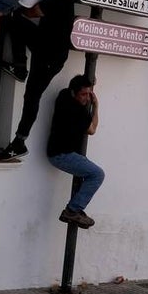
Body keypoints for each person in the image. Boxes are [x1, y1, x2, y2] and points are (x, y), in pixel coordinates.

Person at [0, 0, 78, 161]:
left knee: (32, 96)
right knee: (13, 18)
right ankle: (20, 65)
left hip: (50, 58)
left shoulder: (60, 2)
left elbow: (33, 11)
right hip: (42, 41)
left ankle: (19, 142)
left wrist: (21, 4)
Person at [47, 75, 104, 229]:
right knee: (97, 174)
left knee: (90, 171)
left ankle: (75, 209)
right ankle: (73, 210)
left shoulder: (63, 95)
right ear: (74, 93)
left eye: (89, 94)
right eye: (83, 95)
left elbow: (79, 84)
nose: (86, 98)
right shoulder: (77, 110)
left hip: (60, 151)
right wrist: (96, 106)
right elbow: (92, 130)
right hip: (63, 155)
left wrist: (89, 85)